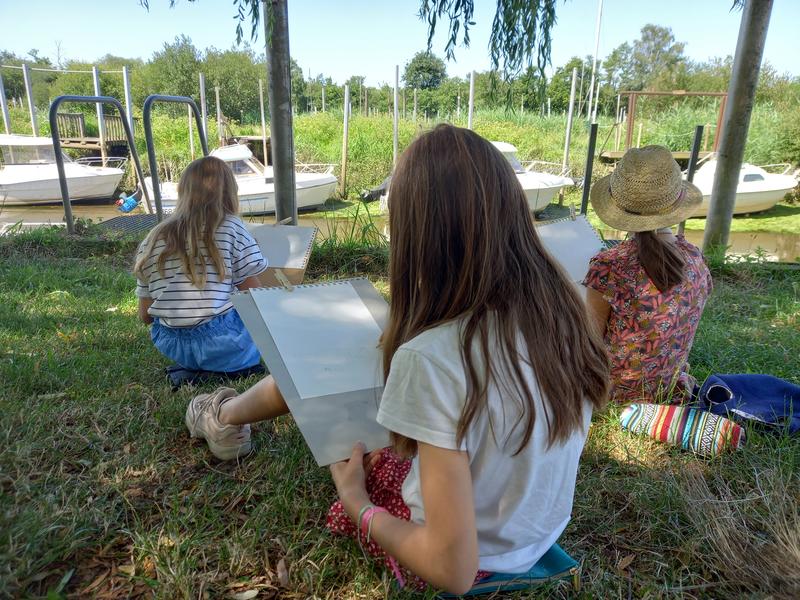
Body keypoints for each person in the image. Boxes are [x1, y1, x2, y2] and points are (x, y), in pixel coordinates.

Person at [185, 125, 610, 594]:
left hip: (476, 558)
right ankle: (224, 415)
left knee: (339, 406)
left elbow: (453, 569)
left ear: (415, 236)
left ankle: (222, 416)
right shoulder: (567, 319)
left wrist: (358, 505)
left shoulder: (433, 358)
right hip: (533, 537)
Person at [583, 145, 713, 404]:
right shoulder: (695, 259)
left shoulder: (610, 266)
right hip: (669, 387)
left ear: (619, 204)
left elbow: (588, 344)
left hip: (614, 395)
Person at [134, 156, 268, 378]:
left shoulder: (154, 236)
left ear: (182, 191)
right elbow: (254, 297)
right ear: (230, 192)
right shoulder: (232, 228)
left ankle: (194, 370)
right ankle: (233, 367)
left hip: (172, 343)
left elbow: (145, 316)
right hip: (223, 341)